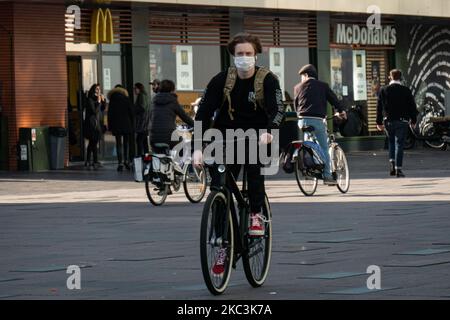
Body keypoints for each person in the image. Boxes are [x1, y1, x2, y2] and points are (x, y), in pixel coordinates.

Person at [193, 33, 285, 277]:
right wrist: (197, 147)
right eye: (239, 54)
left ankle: (256, 213)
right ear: (232, 56)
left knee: (254, 165)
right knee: (220, 187)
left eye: (248, 53)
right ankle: (223, 242)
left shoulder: (267, 79)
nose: (244, 58)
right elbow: (203, 113)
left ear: (256, 54)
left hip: (257, 136)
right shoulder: (221, 80)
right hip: (224, 137)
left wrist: (270, 132)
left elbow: (278, 110)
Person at [294, 64, 346, 185]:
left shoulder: (297, 87)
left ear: (306, 75)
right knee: (324, 148)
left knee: (308, 145)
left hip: (301, 121)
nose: (301, 79)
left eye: (302, 76)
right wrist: (341, 111)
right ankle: (327, 176)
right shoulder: (323, 86)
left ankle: (309, 168)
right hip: (317, 120)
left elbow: (296, 106)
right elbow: (334, 99)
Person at [376, 69, 418, 177]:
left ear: (389, 77)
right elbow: (412, 106)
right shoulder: (406, 90)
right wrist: (413, 120)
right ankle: (398, 169)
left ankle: (392, 164)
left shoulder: (383, 90)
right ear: (401, 78)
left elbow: (379, 107)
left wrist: (378, 122)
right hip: (402, 121)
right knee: (399, 144)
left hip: (388, 120)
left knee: (391, 142)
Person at [150, 79, 194, 150]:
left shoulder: (154, 101)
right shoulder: (172, 100)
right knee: (183, 145)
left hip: (153, 138)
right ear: (172, 90)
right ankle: (180, 161)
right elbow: (184, 117)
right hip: (169, 137)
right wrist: (197, 125)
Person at [107, 84, 134, 172]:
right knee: (126, 143)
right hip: (126, 124)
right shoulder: (126, 99)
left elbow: (109, 114)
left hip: (116, 125)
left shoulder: (112, 100)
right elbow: (131, 113)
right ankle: (126, 160)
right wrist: (132, 125)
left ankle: (120, 163)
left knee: (118, 144)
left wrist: (110, 126)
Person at [84, 84, 106, 169]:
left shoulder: (97, 99)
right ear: (93, 90)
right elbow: (94, 111)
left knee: (93, 142)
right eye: (97, 89)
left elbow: (103, 108)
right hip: (92, 124)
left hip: (98, 123)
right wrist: (98, 102)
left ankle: (90, 161)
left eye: (99, 89)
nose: (98, 91)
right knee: (93, 142)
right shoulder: (90, 99)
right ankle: (93, 161)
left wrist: (103, 101)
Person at [134, 83, 150, 156]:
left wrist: (134, 109)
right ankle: (146, 158)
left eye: (135, 88)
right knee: (144, 142)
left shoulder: (141, 96)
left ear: (139, 89)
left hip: (142, 123)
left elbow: (142, 107)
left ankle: (140, 157)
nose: (134, 90)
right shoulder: (144, 95)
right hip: (145, 122)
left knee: (139, 140)